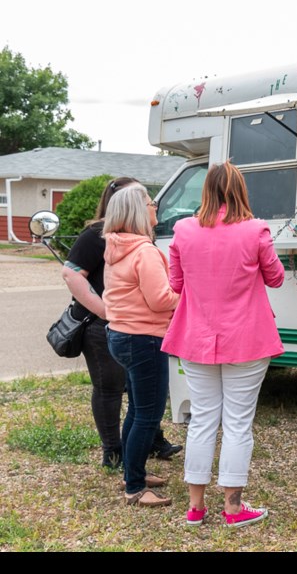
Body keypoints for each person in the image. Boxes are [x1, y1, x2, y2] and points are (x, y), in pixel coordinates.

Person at [161, 161, 285, 528]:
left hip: (197, 338)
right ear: (240, 191)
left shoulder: (182, 230)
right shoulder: (256, 230)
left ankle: (196, 508)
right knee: (237, 424)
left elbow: (177, 284)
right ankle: (233, 507)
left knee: (201, 420)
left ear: (205, 191)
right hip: (247, 340)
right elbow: (276, 278)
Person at [62, 177, 182, 471]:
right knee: (112, 390)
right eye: (147, 201)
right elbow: (71, 274)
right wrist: (107, 310)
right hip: (107, 324)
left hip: (127, 325)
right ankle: (114, 453)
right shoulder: (96, 235)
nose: (153, 206)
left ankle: (145, 448)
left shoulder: (127, 238)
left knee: (140, 398)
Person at [102, 184, 181, 507]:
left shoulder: (115, 247)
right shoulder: (144, 251)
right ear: (138, 211)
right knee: (148, 414)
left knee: (137, 409)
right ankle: (134, 487)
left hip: (120, 335)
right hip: (144, 338)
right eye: (150, 203)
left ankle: (133, 471)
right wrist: (189, 296)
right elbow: (161, 300)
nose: (155, 207)